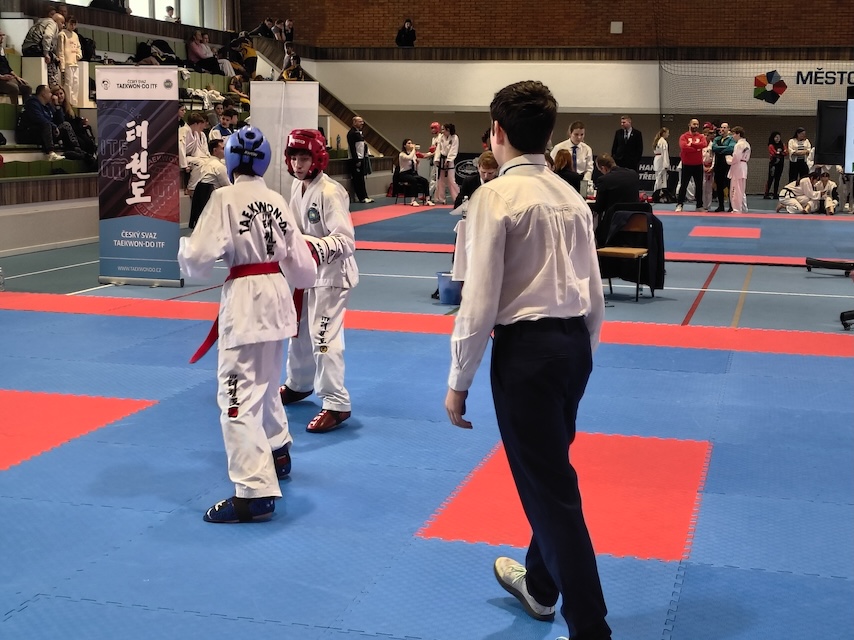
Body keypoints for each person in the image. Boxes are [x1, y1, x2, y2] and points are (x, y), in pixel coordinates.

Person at [444, 79, 610, 640]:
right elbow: (594, 293)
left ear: (497, 132)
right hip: (572, 347)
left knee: (552, 492)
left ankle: (591, 628)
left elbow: (478, 299)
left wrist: (459, 379)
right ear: (550, 134)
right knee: (550, 473)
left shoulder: (494, 197)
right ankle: (540, 586)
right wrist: (582, 354)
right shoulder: (571, 196)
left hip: (527, 355)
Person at [178, 126, 317, 523]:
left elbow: (197, 261)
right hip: (277, 298)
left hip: (246, 302)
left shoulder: (224, 198)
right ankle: (278, 451)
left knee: (236, 399)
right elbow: (304, 271)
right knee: (267, 384)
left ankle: (254, 494)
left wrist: (184, 249)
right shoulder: (277, 200)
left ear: (231, 161)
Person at [280, 129, 359, 434]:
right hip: (307, 273)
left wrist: (314, 247)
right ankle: (299, 383)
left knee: (323, 336)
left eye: (304, 158)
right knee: (298, 331)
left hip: (332, 276)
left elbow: (346, 241)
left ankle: (337, 402)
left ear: (317, 158)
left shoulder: (330, 192)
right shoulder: (297, 187)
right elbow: (294, 230)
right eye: (294, 158)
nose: (298, 164)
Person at [15, 84, 65, 161]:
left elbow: (60, 121)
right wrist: (53, 126)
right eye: (49, 92)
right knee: (46, 124)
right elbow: (39, 119)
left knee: (65, 125)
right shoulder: (32, 103)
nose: (51, 95)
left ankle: (73, 151)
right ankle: (50, 152)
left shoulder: (47, 106)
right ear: (43, 94)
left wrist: (57, 105)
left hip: (41, 133)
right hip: (26, 133)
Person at [188, 138, 230, 228]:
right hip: (210, 197)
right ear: (215, 150)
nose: (225, 150)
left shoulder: (206, 163)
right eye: (223, 148)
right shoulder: (218, 166)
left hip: (202, 195)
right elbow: (227, 185)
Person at [589, 152, 640, 224]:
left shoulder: (604, 180)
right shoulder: (633, 174)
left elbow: (599, 208)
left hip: (614, 221)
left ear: (603, 168)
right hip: (634, 220)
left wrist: (587, 205)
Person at [675, 118, 706, 212]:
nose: (695, 126)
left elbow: (703, 144)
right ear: (689, 125)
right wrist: (697, 149)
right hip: (687, 164)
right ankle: (680, 204)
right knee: (683, 185)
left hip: (698, 164)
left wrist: (691, 145)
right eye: (694, 124)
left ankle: (699, 205)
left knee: (699, 186)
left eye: (697, 124)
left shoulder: (701, 136)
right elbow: (684, 147)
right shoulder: (684, 136)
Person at [0, 31, 32, 104]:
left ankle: (26, 108)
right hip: (1, 79)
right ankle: (15, 107)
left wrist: (17, 77)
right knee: (14, 88)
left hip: (8, 77)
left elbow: (8, 67)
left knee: (27, 87)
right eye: (0, 36)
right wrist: (2, 77)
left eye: (2, 36)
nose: (2, 38)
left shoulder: (1, 50)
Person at [398, 138, 433, 206]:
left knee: (424, 181)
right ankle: (413, 200)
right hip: (404, 174)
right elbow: (409, 158)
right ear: (405, 145)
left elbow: (415, 167)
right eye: (409, 143)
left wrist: (417, 163)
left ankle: (427, 199)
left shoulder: (413, 154)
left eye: (411, 143)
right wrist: (414, 149)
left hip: (412, 173)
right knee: (413, 180)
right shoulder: (402, 154)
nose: (411, 144)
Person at [57, 16, 82, 109]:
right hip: (67, 63)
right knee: (68, 84)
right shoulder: (62, 34)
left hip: (75, 63)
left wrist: (79, 54)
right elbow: (60, 51)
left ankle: (74, 103)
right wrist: (62, 66)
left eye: (74, 24)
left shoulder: (75, 35)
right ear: (66, 23)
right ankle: (68, 103)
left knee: (76, 83)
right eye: (71, 24)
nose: (73, 26)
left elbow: (78, 47)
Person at [347, 115, 373, 203]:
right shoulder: (351, 133)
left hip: (361, 158)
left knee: (361, 178)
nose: (362, 123)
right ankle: (361, 197)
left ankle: (365, 196)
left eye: (362, 121)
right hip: (355, 159)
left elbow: (362, 146)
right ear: (354, 122)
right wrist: (356, 160)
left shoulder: (359, 133)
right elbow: (352, 148)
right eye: (360, 121)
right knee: (357, 179)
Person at [433, 123, 460, 205]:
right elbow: (438, 149)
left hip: (450, 161)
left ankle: (457, 198)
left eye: (443, 129)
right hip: (441, 159)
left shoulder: (454, 137)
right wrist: (437, 159)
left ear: (448, 130)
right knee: (440, 180)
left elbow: (453, 150)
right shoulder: (441, 137)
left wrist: (448, 160)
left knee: (451, 180)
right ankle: (441, 199)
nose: (442, 131)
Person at [711, 122, 735, 212]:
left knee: (729, 185)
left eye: (725, 127)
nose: (722, 129)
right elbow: (713, 148)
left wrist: (719, 149)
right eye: (721, 127)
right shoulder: (717, 139)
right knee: (719, 185)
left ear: (728, 129)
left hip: (727, 165)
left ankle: (731, 206)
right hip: (718, 164)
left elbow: (731, 149)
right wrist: (723, 148)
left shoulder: (731, 139)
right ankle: (721, 205)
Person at [727, 126, 751, 213]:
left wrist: (729, 160)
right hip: (743, 166)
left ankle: (737, 209)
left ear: (738, 134)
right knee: (741, 189)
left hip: (738, 166)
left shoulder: (738, 145)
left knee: (736, 189)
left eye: (733, 134)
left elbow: (736, 158)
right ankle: (744, 208)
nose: (732, 136)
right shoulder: (747, 144)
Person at [764, 131, 787, 199]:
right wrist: (780, 153)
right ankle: (766, 193)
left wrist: (780, 153)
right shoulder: (771, 145)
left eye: (779, 137)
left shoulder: (782, 144)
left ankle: (775, 193)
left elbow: (786, 152)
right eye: (776, 137)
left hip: (780, 164)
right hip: (773, 164)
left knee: (777, 179)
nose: (777, 139)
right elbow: (773, 153)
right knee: (770, 179)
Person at [651, 127, 670, 198]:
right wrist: (666, 164)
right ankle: (657, 194)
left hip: (657, 159)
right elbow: (665, 153)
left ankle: (658, 193)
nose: (668, 134)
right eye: (667, 133)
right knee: (661, 178)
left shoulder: (658, 140)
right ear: (664, 133)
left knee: (658, 177)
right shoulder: (663, 142)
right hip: (661, 160)